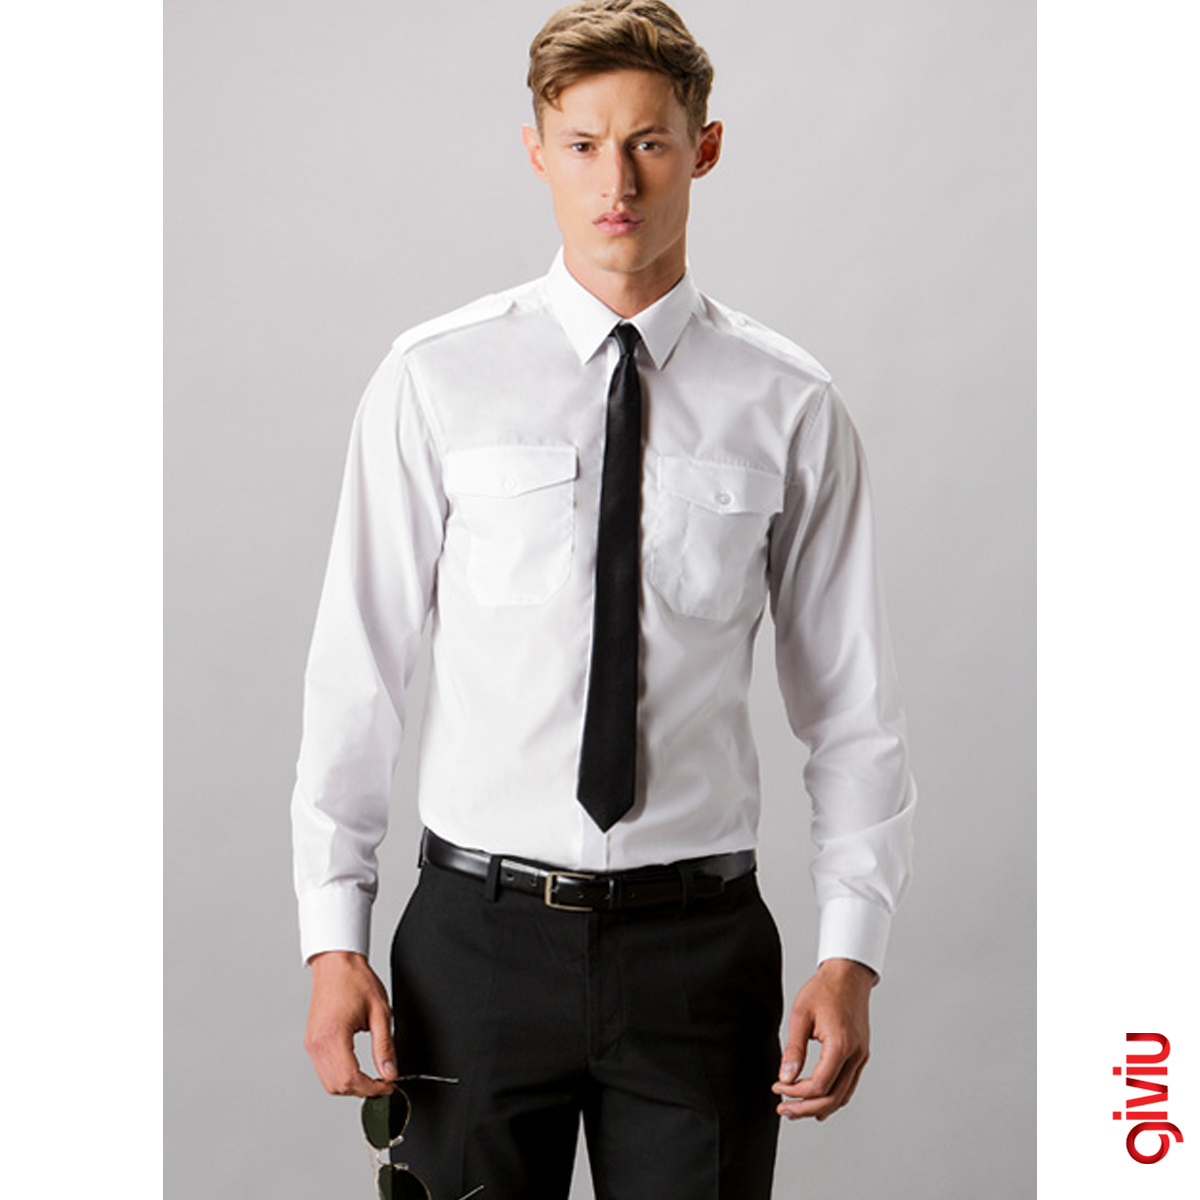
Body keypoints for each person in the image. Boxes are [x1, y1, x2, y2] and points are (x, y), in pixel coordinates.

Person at [292, 1, 916, 1195]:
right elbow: (355, 672)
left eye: (649, 143)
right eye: (582, 144)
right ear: (537, 150)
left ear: (704, 148)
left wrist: (853, 953)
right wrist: (333, 935)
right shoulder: (436, 380)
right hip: (475, 945)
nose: (615, 181)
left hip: (698, 955)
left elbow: (853, 709)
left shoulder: (789, 404)